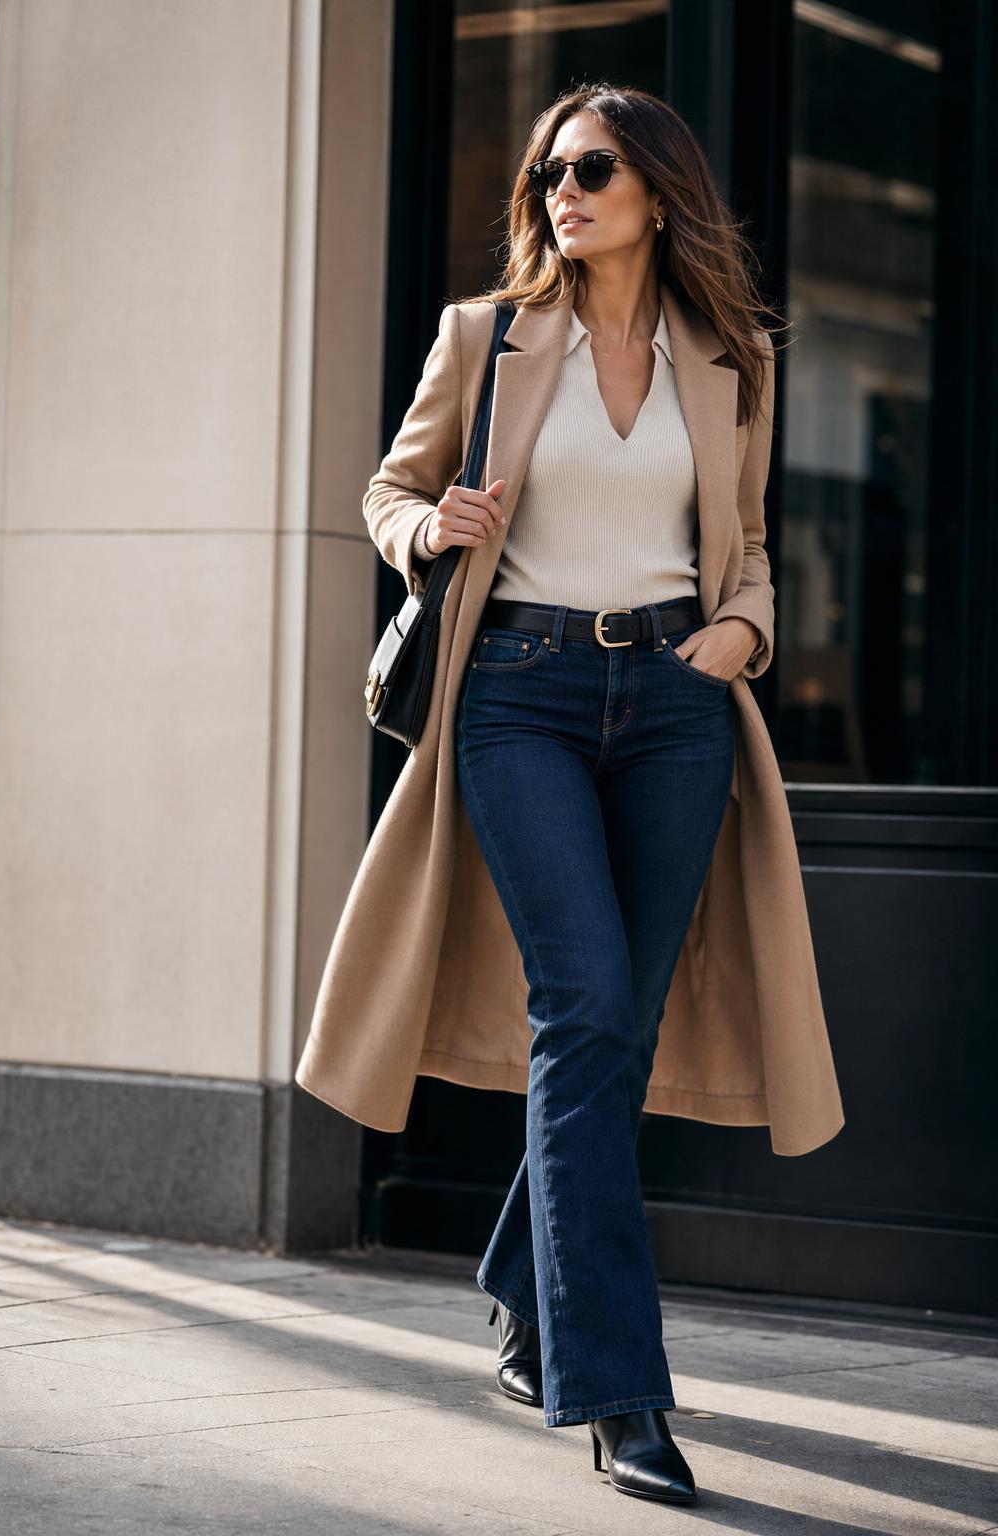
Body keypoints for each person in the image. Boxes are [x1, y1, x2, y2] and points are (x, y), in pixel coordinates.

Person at [406, 83, 784, 1506]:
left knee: (614, 1036)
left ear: (657, 191)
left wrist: (739, 635)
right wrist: (423, 523)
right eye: (552, 169)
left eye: (597, 168)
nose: (566, 189)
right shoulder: (484, 340)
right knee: (583, 1008)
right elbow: (393, 487)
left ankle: (520, 1277)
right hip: (522, 696)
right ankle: (618, 1389)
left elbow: (746, 556)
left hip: (675, 705)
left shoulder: (731, 358)